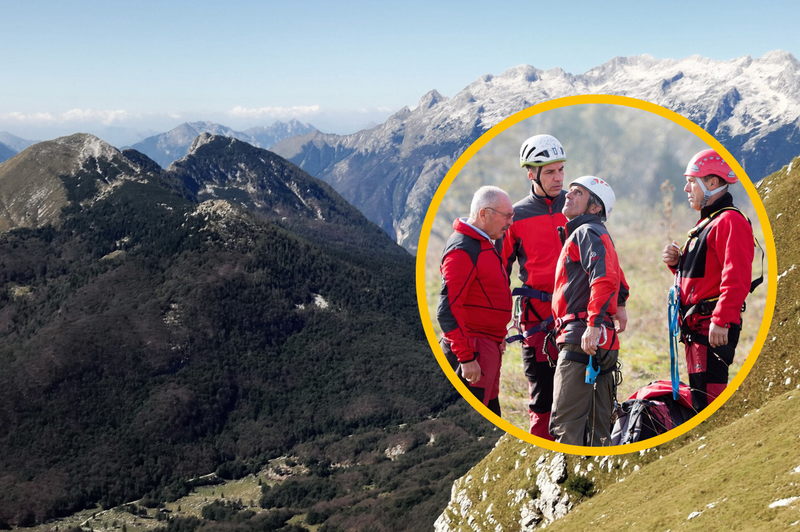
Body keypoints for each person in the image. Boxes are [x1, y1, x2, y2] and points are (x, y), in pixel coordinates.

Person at [501, 135, 627, 440]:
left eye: (561, 170)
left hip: (577, 321)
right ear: (531, 174)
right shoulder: (515, 218)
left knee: (580, 395)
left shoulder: (576, 212)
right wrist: (496, 328)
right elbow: (499, 273)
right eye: (549, 172)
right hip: (537, 323)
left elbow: (606, 260)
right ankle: (546, 453)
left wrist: (620, 301)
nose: (559, 179)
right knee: (543, 397)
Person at [662, 149, 754, 411]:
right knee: (700, 398)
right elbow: (706, 278)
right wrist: (676, 264)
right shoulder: (709, 223)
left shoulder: (729, 221)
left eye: (691, 181)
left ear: (712, 183)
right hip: (700, 328)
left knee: (709, 404)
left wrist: (722, 320)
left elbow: (737, 278)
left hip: (712, 329)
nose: (685, 188)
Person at [550, 176, 629, 446]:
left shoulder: (584, 233)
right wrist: (620, 306)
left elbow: (604, 277)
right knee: (599, 431)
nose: (568, 195)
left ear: (594, 207)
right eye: (569, 191)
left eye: (578, 193)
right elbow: (616, 274)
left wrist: (593, 325)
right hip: (604, 342)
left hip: (582, 338)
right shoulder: (600, 234)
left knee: (566, 425)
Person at [437, 186, 514, 417]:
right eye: (506, 216)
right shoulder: (463, 249)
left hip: (486, 348)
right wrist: (466, 357)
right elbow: (448, 309)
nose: (511, 222)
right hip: (473, 352)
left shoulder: (483, 242)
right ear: (484, 214)